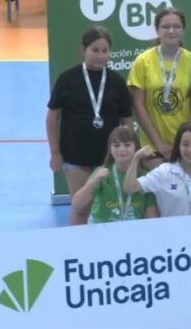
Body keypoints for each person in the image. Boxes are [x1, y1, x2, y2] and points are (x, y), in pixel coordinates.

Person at [45, 25, 133, 224]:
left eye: (105, 51)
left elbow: (126, 122)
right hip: (76, 157)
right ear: (83, 50)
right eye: (95, 50)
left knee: (112, 208)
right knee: (80, 208)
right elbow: (52, 117)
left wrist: (127, 155)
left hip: (109, 159)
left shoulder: (117, 83)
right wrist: (55, 153)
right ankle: (75, 252)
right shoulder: (67, 79)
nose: (100, 56)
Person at [127, 8, 191, 169]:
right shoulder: (142, 62)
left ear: (183, 29)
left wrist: (184, 142)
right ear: (157, 30)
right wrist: (159, 144)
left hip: (184, 146)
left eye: (176, 26)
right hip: (152, 146)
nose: (171, 31)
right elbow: (138, 106)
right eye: (165, 26)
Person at [123, 122, 191, 217]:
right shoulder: (164, 172)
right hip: (171, 230)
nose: (190, 149)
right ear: (178, 146)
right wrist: (136, 157)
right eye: (185, 144)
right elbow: (129, 187)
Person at [70, 126, 159, 224]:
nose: (121, 149)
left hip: (133, 228)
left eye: (127, 145)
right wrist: (94, 181)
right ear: (110, 149)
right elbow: (77, 204)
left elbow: (151, 215)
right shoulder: (102, 173)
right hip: (102, 227)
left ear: (136, 148)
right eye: (116, 145)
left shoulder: (144, 176)